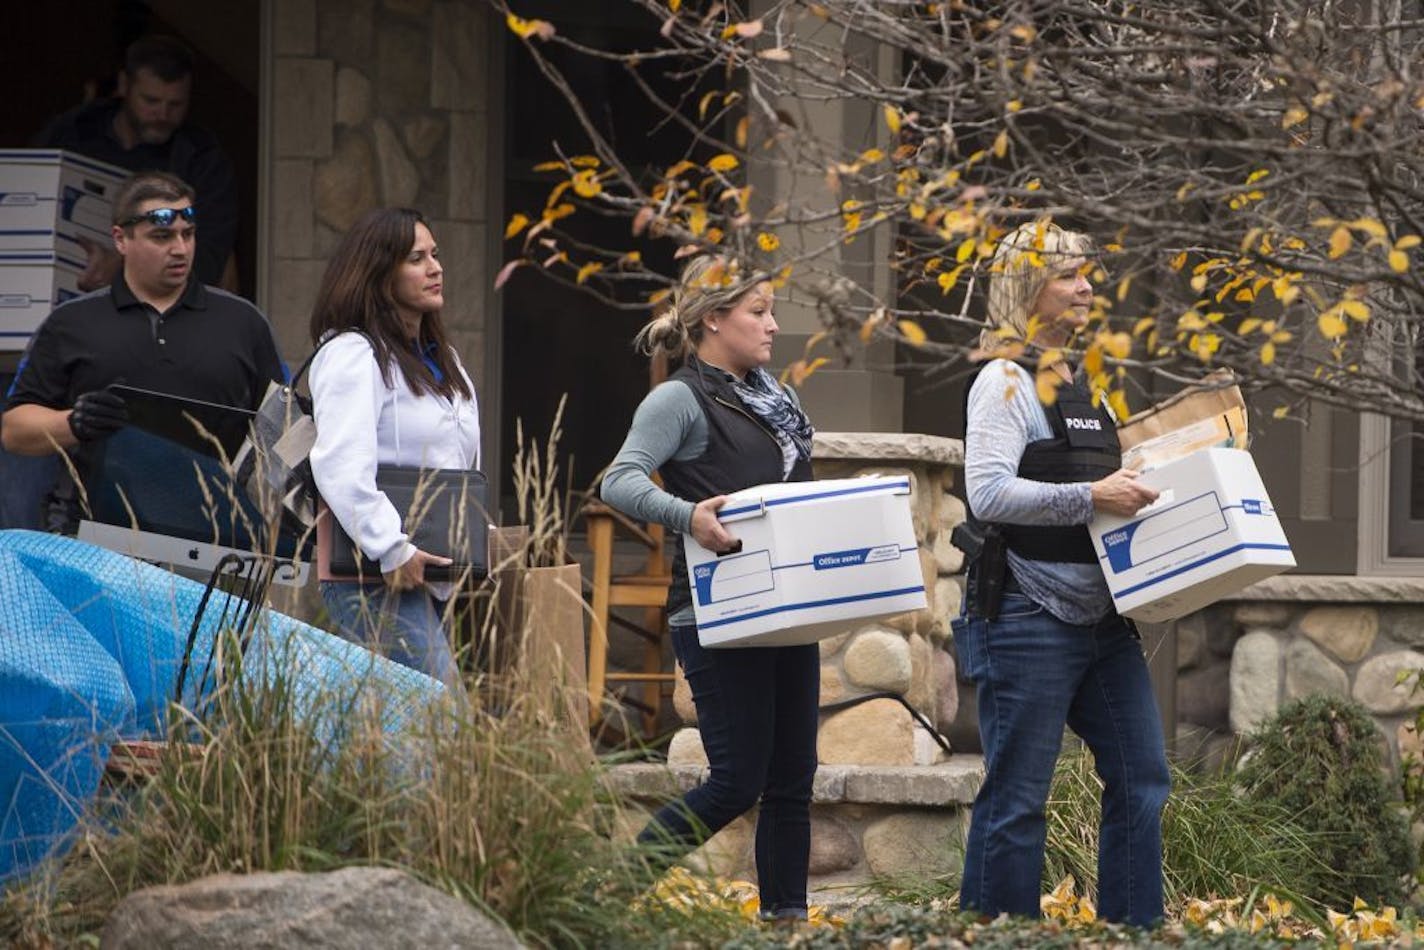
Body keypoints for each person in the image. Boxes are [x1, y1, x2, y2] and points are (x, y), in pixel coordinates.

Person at [953, 221, 1171, 928]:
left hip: (1105, 618)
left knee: (1142, 780)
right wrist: (1093, 496)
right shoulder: (1005, 380)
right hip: (1026, 613)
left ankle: (1130, 935)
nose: (1086, 288)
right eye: (1069, 276)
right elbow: (986, 493)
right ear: (1028, 288)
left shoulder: (1087, 383)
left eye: (1087, 274)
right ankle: (997, 937)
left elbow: (1111, 482)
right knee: (1018, 795)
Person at [601, 255, 819, 923]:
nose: (773, 325)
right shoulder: (680, 398)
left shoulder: (777, 398)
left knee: (791, 784)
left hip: (787, 611)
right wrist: (689, 516)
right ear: (713, 318)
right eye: (758, 311)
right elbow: (621, 480)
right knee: (736, 781)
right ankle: (606, 896)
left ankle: (787, 923)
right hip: (717, 612)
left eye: (772, 310)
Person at [2, 171, 283, 535]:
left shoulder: (244, 322)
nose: (180, 248)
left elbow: (285, 430)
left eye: (188, 234)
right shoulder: (70, 323)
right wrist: (72, 423)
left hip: (214, 541)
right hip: (92, 538)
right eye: (162, 236)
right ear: (120, 239)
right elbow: (13, 430)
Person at [308, 208, 480, 690]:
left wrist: (472, 532)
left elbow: (453, 460)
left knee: (403, 730)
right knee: (439, 719)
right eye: (416, 258)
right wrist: (390, 547)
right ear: (379, 272)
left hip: (429, 571)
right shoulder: (353, 354)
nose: (435, 267)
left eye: (435, 255)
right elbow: (339, 465)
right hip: (374, 576)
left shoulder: (443, 361)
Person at [34, 34, 239, 291]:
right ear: (124, 85)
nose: (162, 114)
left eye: (175, 104)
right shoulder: (74, 132)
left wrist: (126, 265)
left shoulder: (201, 159)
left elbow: (209, 257)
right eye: (151, 101)